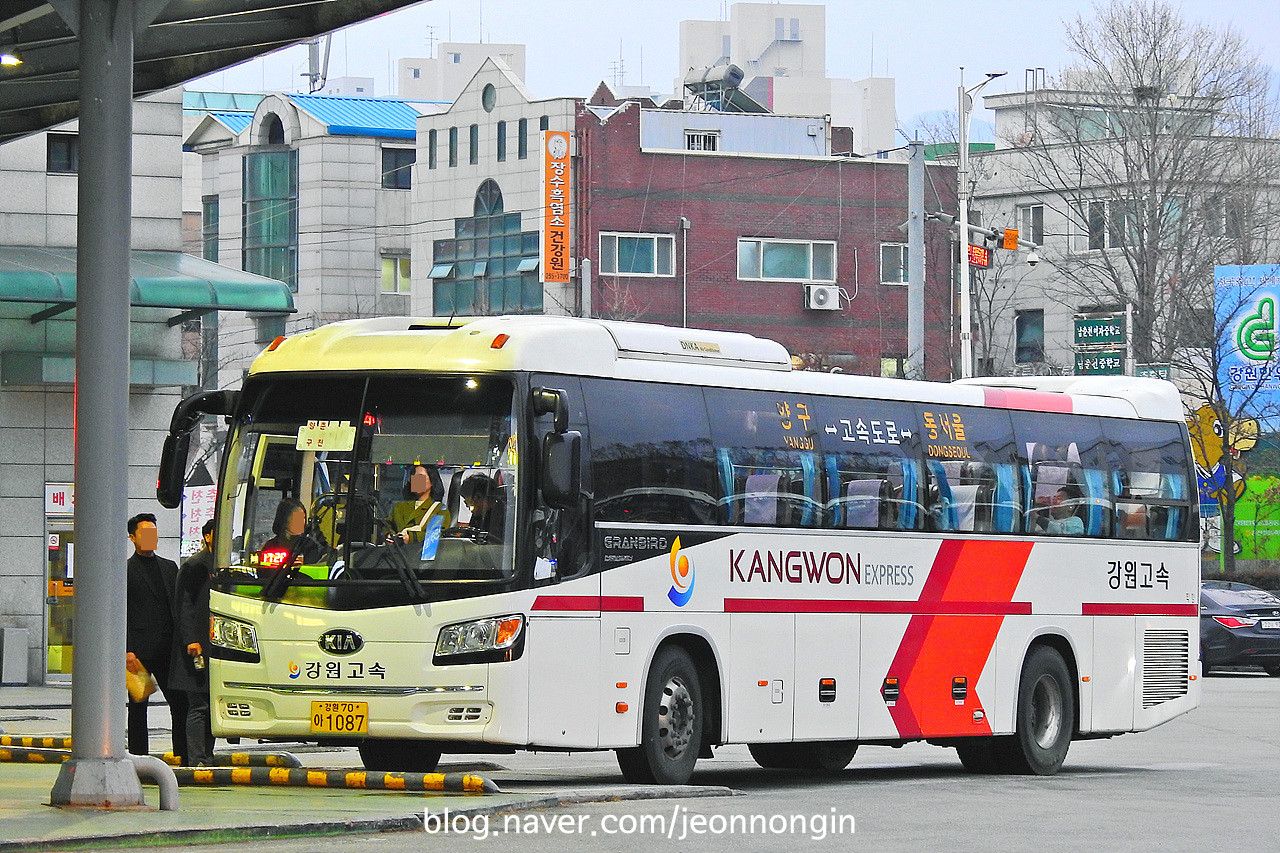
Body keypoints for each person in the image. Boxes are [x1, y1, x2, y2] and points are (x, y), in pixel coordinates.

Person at [126, 513, 188, 763]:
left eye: (154, 532)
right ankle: (140, 758)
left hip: (168, 649)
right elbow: (123, 613)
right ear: (132, 537)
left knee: (179, 703)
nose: (152, 537)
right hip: (138, 652)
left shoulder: (169, 566)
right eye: (145, 532)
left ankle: (183, 755)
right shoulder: (126, 570)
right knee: (138, 706)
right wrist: (128, 650)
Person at [169, 518, 215, 766]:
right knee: (198, 704)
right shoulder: (195, 565)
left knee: (209, 704)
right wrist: (191, 640)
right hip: (196, 647)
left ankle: (206, 755)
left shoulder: (218, 565)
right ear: (207, 536)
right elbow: (183, 606)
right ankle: (198, 758)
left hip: (212, 644)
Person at [390, 464, 450, 544]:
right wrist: (389, 534)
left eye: (421, 477)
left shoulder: (440, 509)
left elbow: (439, 534)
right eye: (414, 477)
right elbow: (387, 525)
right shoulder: (399, 507)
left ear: (432, 481)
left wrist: (411, 537)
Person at [261, 497, 326, 566]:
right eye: (296, 518)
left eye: (303, 518)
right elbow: (263, 571)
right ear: (284, 520)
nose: (301, 522)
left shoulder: (309, 546)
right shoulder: (270, 546)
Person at [458, 473, 505, 542]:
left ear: (478, 497)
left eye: (467, 498)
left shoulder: (502, 517)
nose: (466, 504)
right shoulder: (478, 514)